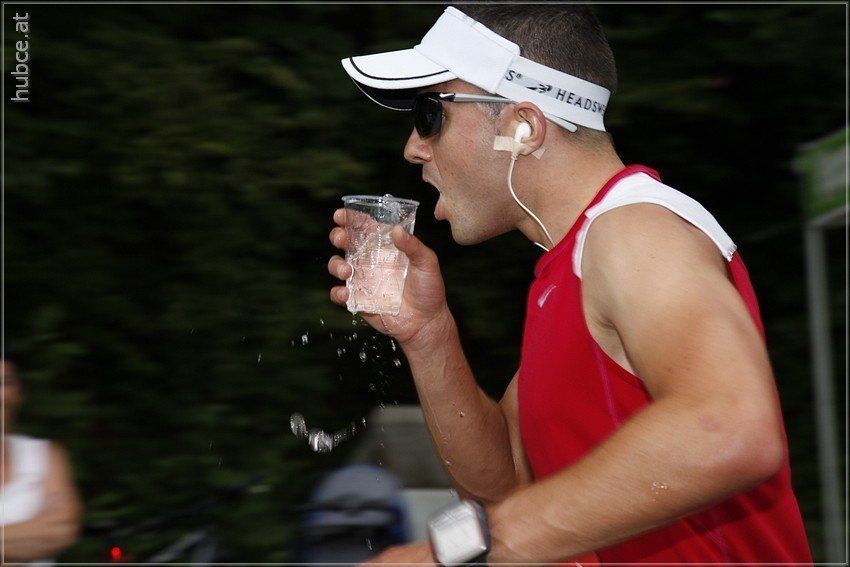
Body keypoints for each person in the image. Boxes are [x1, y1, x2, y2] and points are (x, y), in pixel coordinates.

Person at [328, 4, 812, 564]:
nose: (413, 147)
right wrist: (429, 336)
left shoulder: (635, 230)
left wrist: (443, 555)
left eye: (430, 114)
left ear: (523, 127)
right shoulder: (570, 267)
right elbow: (504, 486)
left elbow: (729, 430)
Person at [1, 358, 83, 565]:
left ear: (20, 393)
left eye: (6, 382)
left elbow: (63, 530)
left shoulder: (44, 455)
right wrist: (27, 536)